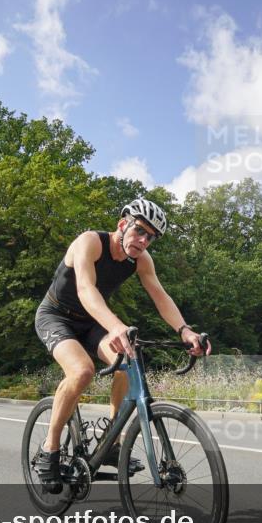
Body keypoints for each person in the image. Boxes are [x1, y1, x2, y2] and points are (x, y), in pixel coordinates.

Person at [33, 199, 209, 493]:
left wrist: (185, 330)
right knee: (82, 372)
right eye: (139, 230)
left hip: (91, 322)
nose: (143, 240)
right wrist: (115, 325)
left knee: (128, 360)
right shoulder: (90, 242)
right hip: (56, 316)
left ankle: (112, 442)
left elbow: (160, 296)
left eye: (150, 236)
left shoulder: (141, 260)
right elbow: (85, 289)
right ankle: (49, 450)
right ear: (122, 224)